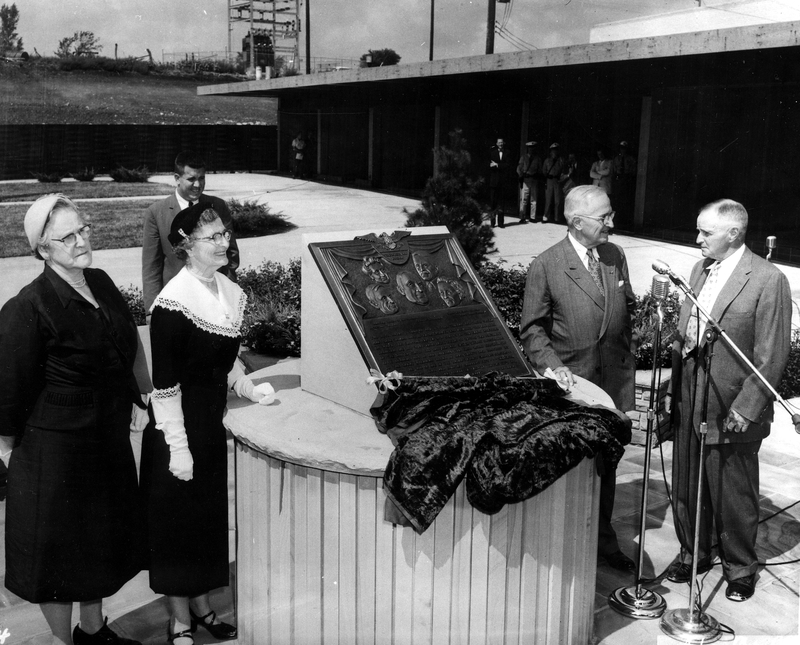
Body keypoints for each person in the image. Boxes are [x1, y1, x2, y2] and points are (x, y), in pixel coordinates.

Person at [0, 194, 152, 645]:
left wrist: (143, 398)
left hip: (104, 441)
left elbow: (126, 347)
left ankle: (93, 631)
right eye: (67, 236)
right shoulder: (28, 307)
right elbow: (9, 393)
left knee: (97, 546)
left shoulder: (100, 282)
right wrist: (7, 453)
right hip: (56, 453)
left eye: (84, 229)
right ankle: (63, 642)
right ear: (42, 249)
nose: (82, 240)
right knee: (59, 557)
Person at [140, 202, 273, 645]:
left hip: (209, 427)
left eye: (225, 234)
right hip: (175, 433)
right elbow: (165, 384)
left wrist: (246, 387)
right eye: (212, 238)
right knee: (177, 527)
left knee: (205, 523)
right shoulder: (172, 304)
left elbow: (225, 356)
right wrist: (178, 446)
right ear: (184, 246)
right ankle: (179, 620)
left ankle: (202, 609)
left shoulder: (227, 291)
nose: (225, 243)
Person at [666, 199, 791, 602]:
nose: (697, 238)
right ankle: (694, 552)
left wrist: (747, 406)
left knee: (732, 488)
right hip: (692, 394)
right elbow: (689, 328)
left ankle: (740, 566)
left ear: (733, 233)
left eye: (706, 232)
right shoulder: (698, 270)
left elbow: (772, 354)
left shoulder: (767, 278)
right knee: (688, 479)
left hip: (733, 401)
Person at [519, 185, 637, 572]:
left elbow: (625, 309)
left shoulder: (614, 255)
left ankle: (603, 541)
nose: (612, 224)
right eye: (604, 218)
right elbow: (533, 330)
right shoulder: (547, 265)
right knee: (571, 467)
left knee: (608, 466)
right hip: (575, 389)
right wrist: (555, 369)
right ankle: (566, 544)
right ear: (577, 221)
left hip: (612, 386)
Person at [142, 151, 240, 314]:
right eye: (191, 179)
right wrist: (152, 311)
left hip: (214, 299)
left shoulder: (218, 206)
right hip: (176, 303)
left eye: (202, 178)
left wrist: (227, 296)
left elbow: (231, 255)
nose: (197, 184)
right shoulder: (156, 212)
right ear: (176, 178)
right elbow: (151, 266)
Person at [488, 138, 512, 228]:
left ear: (503, 143)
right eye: (499, 143)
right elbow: (490, 166)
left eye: (502, 142)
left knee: (501, 203)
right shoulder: (492, 153)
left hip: (503, 182)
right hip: (494, 181)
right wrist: (497, 166)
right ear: (496, 143)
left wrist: (497, 165)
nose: (500, 144)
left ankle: (501, 223)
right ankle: (492, 222)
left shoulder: (507, 153)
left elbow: (508, 165)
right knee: (493, 203)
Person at [516, 141, 542, 223]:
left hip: (533, 180)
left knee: (533, 199)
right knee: (524, 198)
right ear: (527, 149)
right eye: (530, 148)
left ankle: (532, 217)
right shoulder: (523, 157)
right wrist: (521, 175)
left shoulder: (537, 158)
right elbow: (519, 168)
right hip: (526, 179)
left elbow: (540, 169)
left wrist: (537, 175)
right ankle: (522, 216)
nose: (531, 149)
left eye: (533, 148)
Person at [612, 141, 637, 227]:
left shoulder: (630, 159)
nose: (623, 150)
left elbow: (633, 170)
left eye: (624, 148)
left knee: (626, 200)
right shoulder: (616, 159)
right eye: (621, 148)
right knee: (618, 199)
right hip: (619, 179)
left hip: (627, 179)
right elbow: (614, 170)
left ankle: (625, 221)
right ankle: (617, 220)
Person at [542, 143, 564, 223]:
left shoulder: (560, 160)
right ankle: (546, 216)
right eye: (553, 150)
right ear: (551, 151)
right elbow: (544, 171)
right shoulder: (547, 160)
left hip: (557, 181)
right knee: (548, 199)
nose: (554, 152)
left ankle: (556, 218)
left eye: (556, 150)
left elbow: (562, 170)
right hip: (549, 180)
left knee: (557, 200)